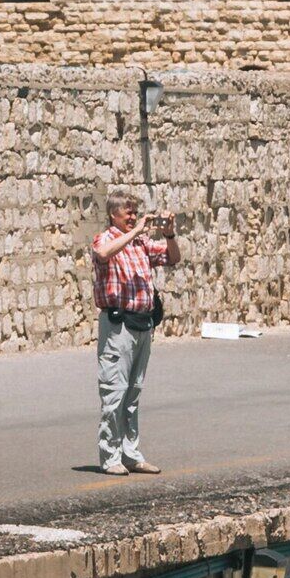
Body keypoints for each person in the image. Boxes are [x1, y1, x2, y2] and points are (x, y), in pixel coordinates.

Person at [90, 193, 173, 473]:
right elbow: (102, 254)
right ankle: (110, 458)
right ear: (114, 214)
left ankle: (131, 454)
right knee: (114, 392)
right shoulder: (105, 239)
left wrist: (171, 235)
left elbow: (172, 258)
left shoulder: (141, 244)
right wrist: (135, 232)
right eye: (128, 213)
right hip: (118, 326)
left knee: (133, 393)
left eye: (135, 213)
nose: (133, 217)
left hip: (143, 324)